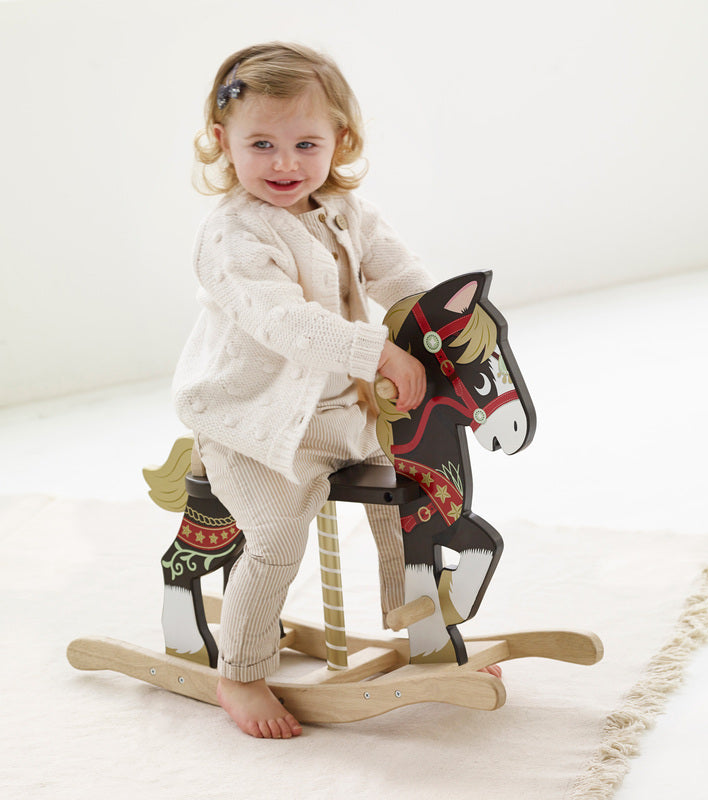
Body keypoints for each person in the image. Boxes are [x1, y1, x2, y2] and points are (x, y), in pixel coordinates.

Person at [172, 42, 434, 739]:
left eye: (305, 143)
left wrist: (440, 327)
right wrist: (374, 347)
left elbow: (404, 280)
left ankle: (423, 631)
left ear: (339, 140)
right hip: (251, 424)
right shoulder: (232, 232)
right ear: (221, 141)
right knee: (279, 533)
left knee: (417, 495)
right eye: (261, 143)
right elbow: (284, 321)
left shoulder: (349, 210)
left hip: (341, 415)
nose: (284, 164)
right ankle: (243, 670)